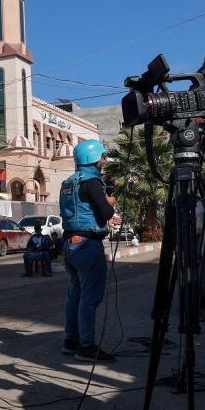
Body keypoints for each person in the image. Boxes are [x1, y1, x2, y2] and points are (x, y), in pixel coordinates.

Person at [60, 139, 117, 363]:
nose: (103, 161)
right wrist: (109, 203)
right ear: (94, 159)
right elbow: (103, 210)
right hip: (87, 245)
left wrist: (105, 219)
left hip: (70, 244)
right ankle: (86, 347)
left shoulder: (68, 182)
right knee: (89, 299)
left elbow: (80, 210)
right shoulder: (93, 181)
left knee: (75, 294)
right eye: (102, 157)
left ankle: (70, 342)